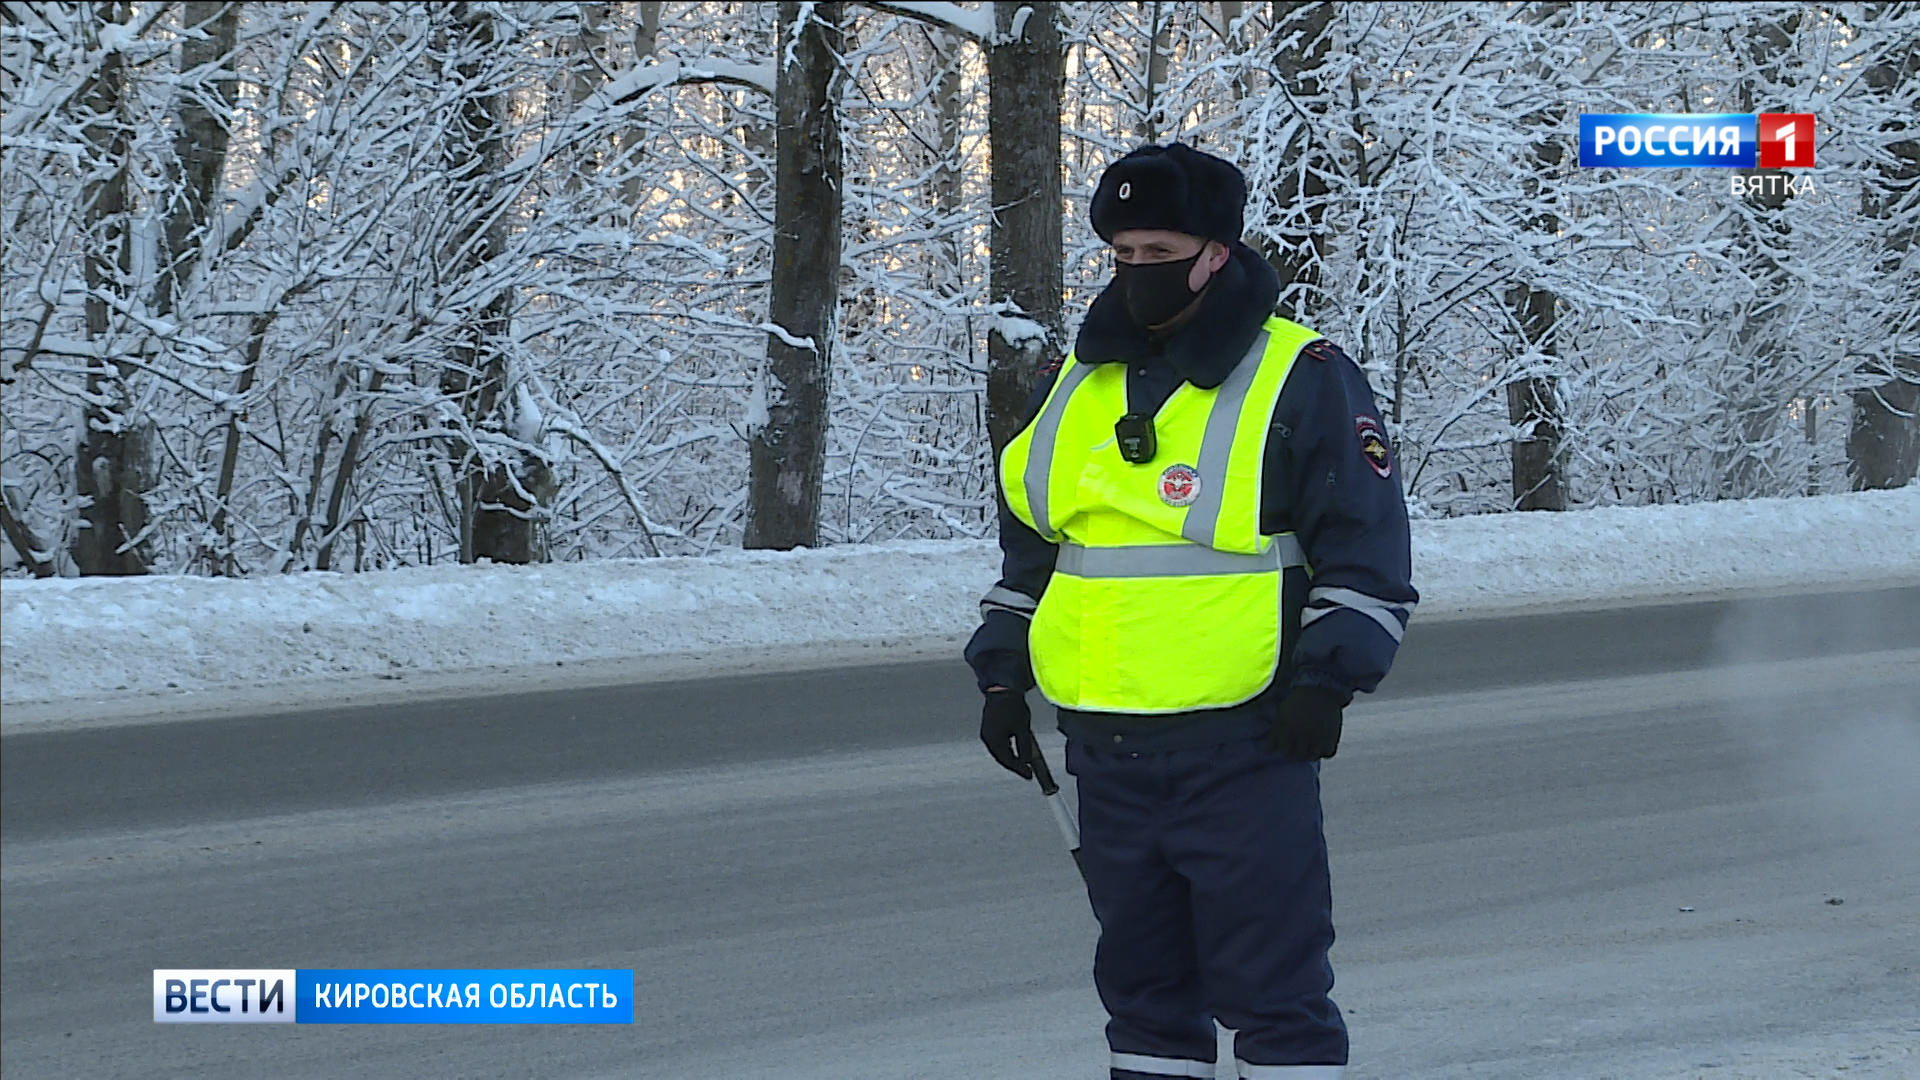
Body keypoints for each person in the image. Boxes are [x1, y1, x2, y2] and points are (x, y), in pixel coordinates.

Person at [965, 143, 1417, 1080]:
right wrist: (1003, 668)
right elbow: (1041, 546)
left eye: (1158, 250)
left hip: (1246, 744)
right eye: (1123, 254)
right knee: (1143, 995)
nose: (1138, 273)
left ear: (1217, 252)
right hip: (1106, 748)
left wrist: (1328, 681)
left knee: (1272, 988)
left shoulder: (1304, 374)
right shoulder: (1080, 384)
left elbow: (1365, 549)